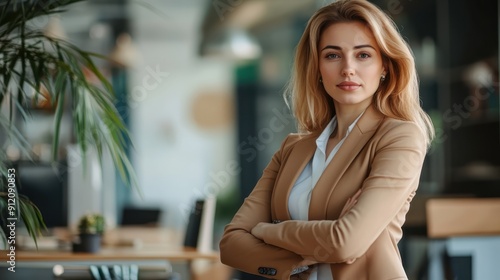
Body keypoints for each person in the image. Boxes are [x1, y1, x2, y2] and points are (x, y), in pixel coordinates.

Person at [219, 0, 435, 279]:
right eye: (333, 55)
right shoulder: (293, 148)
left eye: (363, 55)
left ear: (385, 66)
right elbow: (231, 244)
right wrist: (318, 244)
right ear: (317, 68)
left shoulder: (399, 136)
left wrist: (266, 231)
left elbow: (345, 243)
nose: (348, 69)